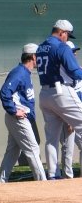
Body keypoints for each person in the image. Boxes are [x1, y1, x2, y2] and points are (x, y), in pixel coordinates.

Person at [36, 19, 82, 180]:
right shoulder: (61, 46)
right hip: (61, 91)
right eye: (67, 35)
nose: (67, 39)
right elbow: (74, 71)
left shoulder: (41, 47)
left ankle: (52, 175)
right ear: (62, 32)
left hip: (44, 94)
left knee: (52, 138)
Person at [0, 43, 46, 182]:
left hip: (18, 118)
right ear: (32, 56)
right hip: (18, 118)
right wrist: (13, 110)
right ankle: (43, 183)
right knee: (33, 149)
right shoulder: (19, 72)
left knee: (12, 152)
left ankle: (1, 182)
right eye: (39, 56)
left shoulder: (25, 72)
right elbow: (4, 92)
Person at [59, 41, 82, 178]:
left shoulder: (78, 69)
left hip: (79, 112)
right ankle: (67, 177)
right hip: (68, 114)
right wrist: (67, 118)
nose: (75, 54)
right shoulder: (62, 73)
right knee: (68, 147)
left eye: (75, 52)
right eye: (72, 52)